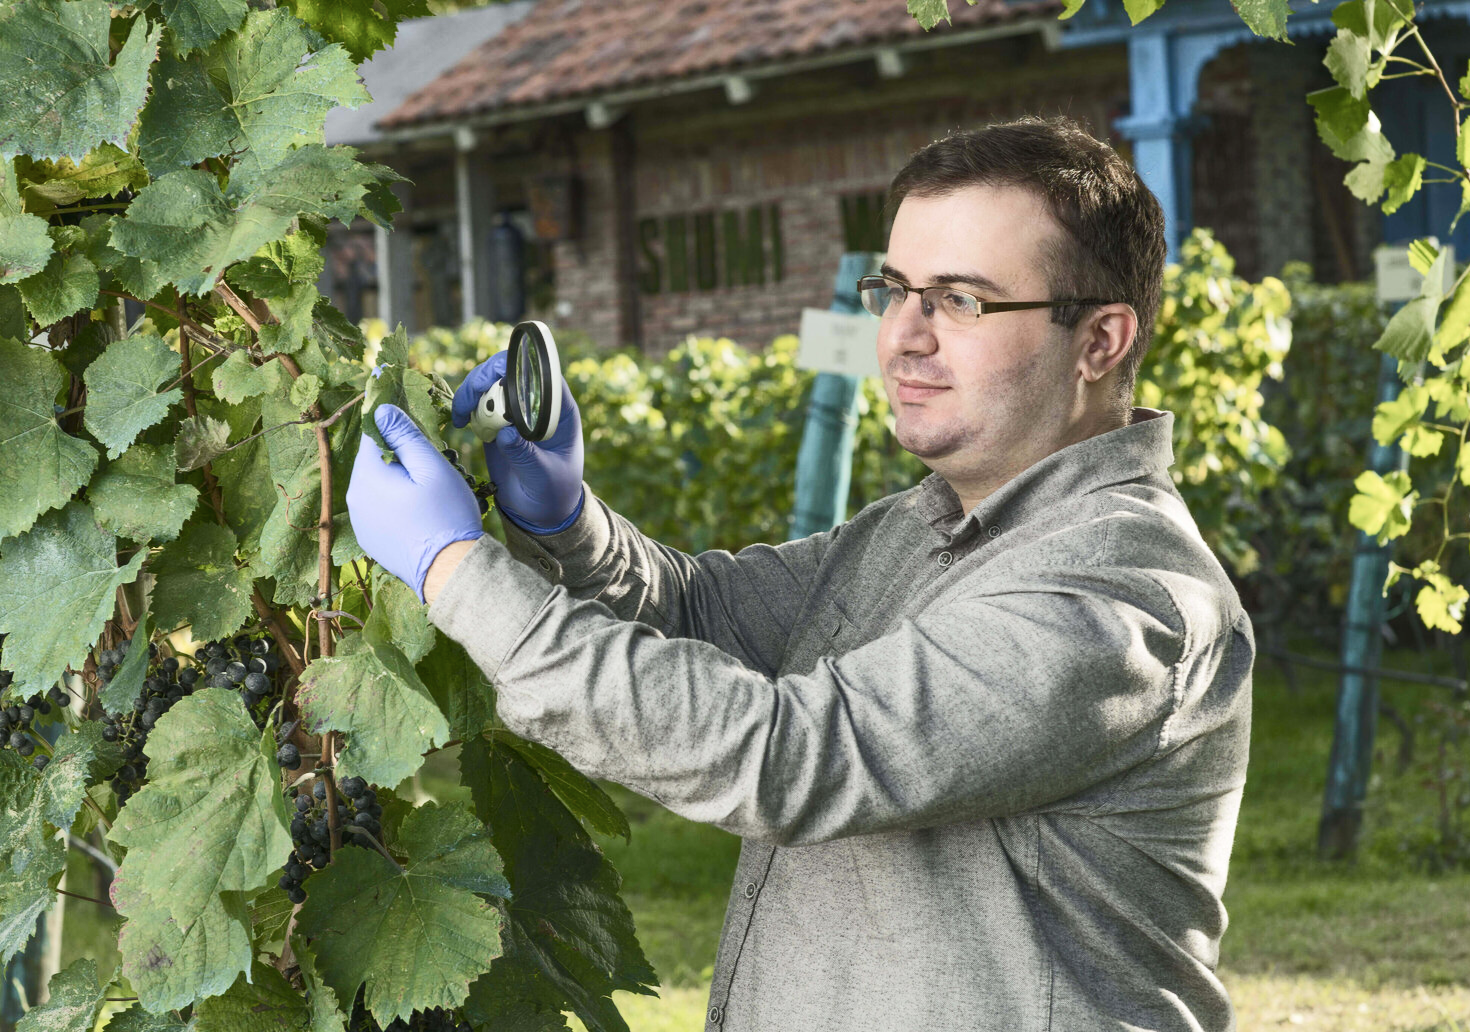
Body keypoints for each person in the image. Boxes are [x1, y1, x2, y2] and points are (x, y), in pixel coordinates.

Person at [345, 114, 1253, 1032]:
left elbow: (784, 756)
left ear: (1098, 341)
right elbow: (700, 612)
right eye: (895, 289)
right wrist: (567, 526)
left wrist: (456, 569)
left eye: (962, 301)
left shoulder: (1118, 595)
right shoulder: (923, 524)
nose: (903, 335)